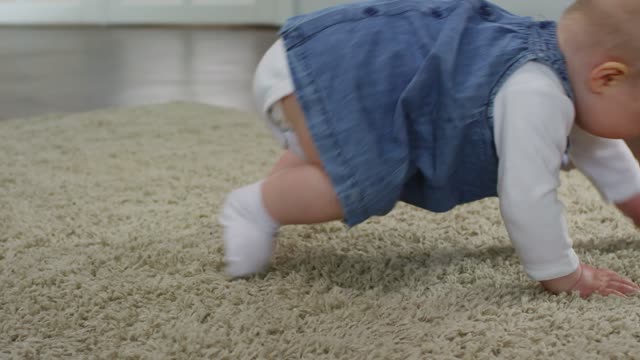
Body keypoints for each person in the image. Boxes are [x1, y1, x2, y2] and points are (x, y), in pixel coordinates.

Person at [219, 0, 640, 298]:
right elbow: (529, 197)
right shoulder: (538, 93)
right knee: (352, 183)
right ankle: (256, 206)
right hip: (329, 72)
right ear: (606, 78)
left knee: (328, 155)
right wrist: (565, 274)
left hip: (325, 62)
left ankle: (290, 178)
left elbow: (600, 149)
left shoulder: (563, 72)